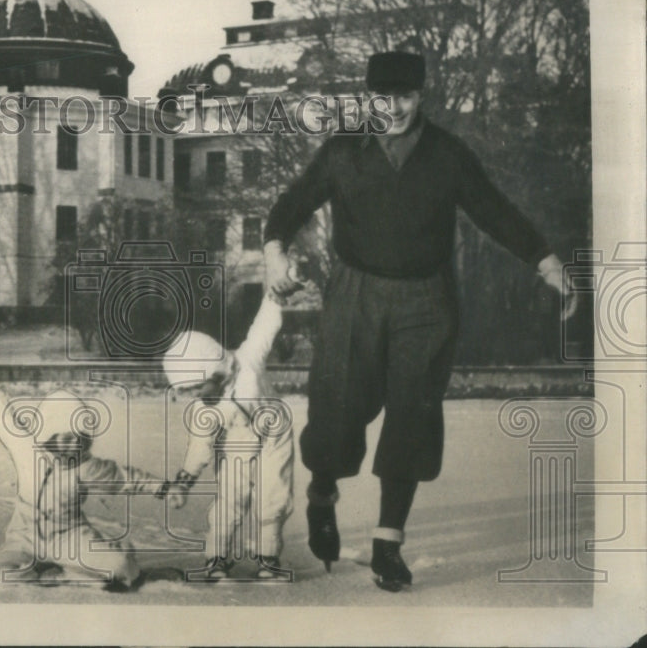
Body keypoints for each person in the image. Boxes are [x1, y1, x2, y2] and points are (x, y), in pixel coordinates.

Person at [263, 51, 577, 592]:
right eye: (383, 97)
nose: (395, 107)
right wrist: (274, 251)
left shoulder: (447, 155)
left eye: (405, 96)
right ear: (368, 99)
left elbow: (493, 209)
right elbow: (293, 203)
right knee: (339, 408)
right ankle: (321, 495)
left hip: (426, 300)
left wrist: (545, 260)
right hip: (355, 293)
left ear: (421, 96)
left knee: (412, 416)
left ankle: (388, 544)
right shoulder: (343, 152)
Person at [0, 387, 175, 592]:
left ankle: (71, 574)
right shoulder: (28, 454)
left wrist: (164, 488)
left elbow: (124, 478)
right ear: (49, 434)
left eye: (78, 438)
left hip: (70, 537)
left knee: (122, 566)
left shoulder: (86, 466)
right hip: (24, 540)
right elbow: (5, 418)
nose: (72, 444)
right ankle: (48, 573)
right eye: (65, 436)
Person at [162, 288, 297, 582]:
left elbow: (264, 327)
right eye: (189, 391)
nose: (197, 396)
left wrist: (275, 296)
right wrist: (184, 482)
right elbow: (200, 446)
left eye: (197, 387)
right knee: (229, 499)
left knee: (271, 496)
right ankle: (217, 559)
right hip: (235, 443)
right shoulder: (205, 409)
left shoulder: (248, 360)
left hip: (273, 436)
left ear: (213, 371)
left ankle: (268, 559)